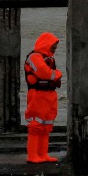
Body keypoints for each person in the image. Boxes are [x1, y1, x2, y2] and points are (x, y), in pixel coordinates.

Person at [24, 31, 63, 164]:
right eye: (53, 45)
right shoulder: (34, 57)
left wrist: (55, 75)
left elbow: (49, 74)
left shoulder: (49, 58)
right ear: (46, 44)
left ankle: (42, 154)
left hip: (49, 94)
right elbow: (43, 73)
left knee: (46, 126)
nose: (55, 49)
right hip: (37, 94)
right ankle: (32, 155)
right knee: (36, 125)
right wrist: (58, 74)